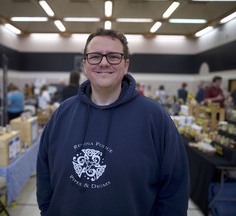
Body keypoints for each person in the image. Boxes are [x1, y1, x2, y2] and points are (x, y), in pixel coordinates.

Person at [36, 28, 190, 216]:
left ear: (126, 65)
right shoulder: (63, 113)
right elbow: (44, 170)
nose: (103, 63)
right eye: (95, 56)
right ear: (84, 64)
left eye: (113, 56)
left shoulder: (154, 117)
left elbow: (174, 187)